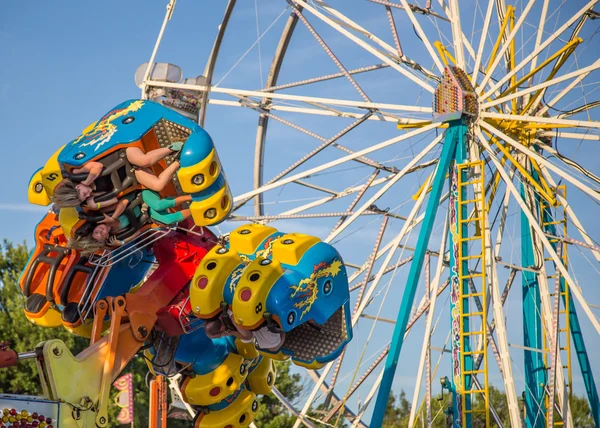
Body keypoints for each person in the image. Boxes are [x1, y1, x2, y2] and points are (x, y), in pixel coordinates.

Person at [53, 143, 184, 209]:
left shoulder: (77, 174)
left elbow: (97, 167)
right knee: (158, 185)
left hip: (125, 156)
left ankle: (172, 148)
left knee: (144, 160)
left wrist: (87, 182)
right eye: (84, 198)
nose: (87, 195)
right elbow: (115, 200)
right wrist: (96, 204)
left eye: (83, 194)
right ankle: (179, 161)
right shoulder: (93, 196)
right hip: (132, 173)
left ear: (77, 188)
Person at [68, 190, 192, 255]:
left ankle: (192, 197)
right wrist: (122, 242)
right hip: (147, 211)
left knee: (158, 205)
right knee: (168, 220)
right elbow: (137, 231)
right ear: (106, 237)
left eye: (97, 231)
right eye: (102, 235)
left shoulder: (104, 213)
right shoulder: (118, 232)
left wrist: (114, 217)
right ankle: (194, 209)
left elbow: (124, 202)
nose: (101, 231)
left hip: (142, 196)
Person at [204, 309, 285, 352]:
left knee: (273, 348)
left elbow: (249, 337)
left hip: (261, 319)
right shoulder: (219, 311)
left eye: (220, 335)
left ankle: (284, 329)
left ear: (222, 329)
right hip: (251, 312)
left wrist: (232, 333)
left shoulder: (234, 318)